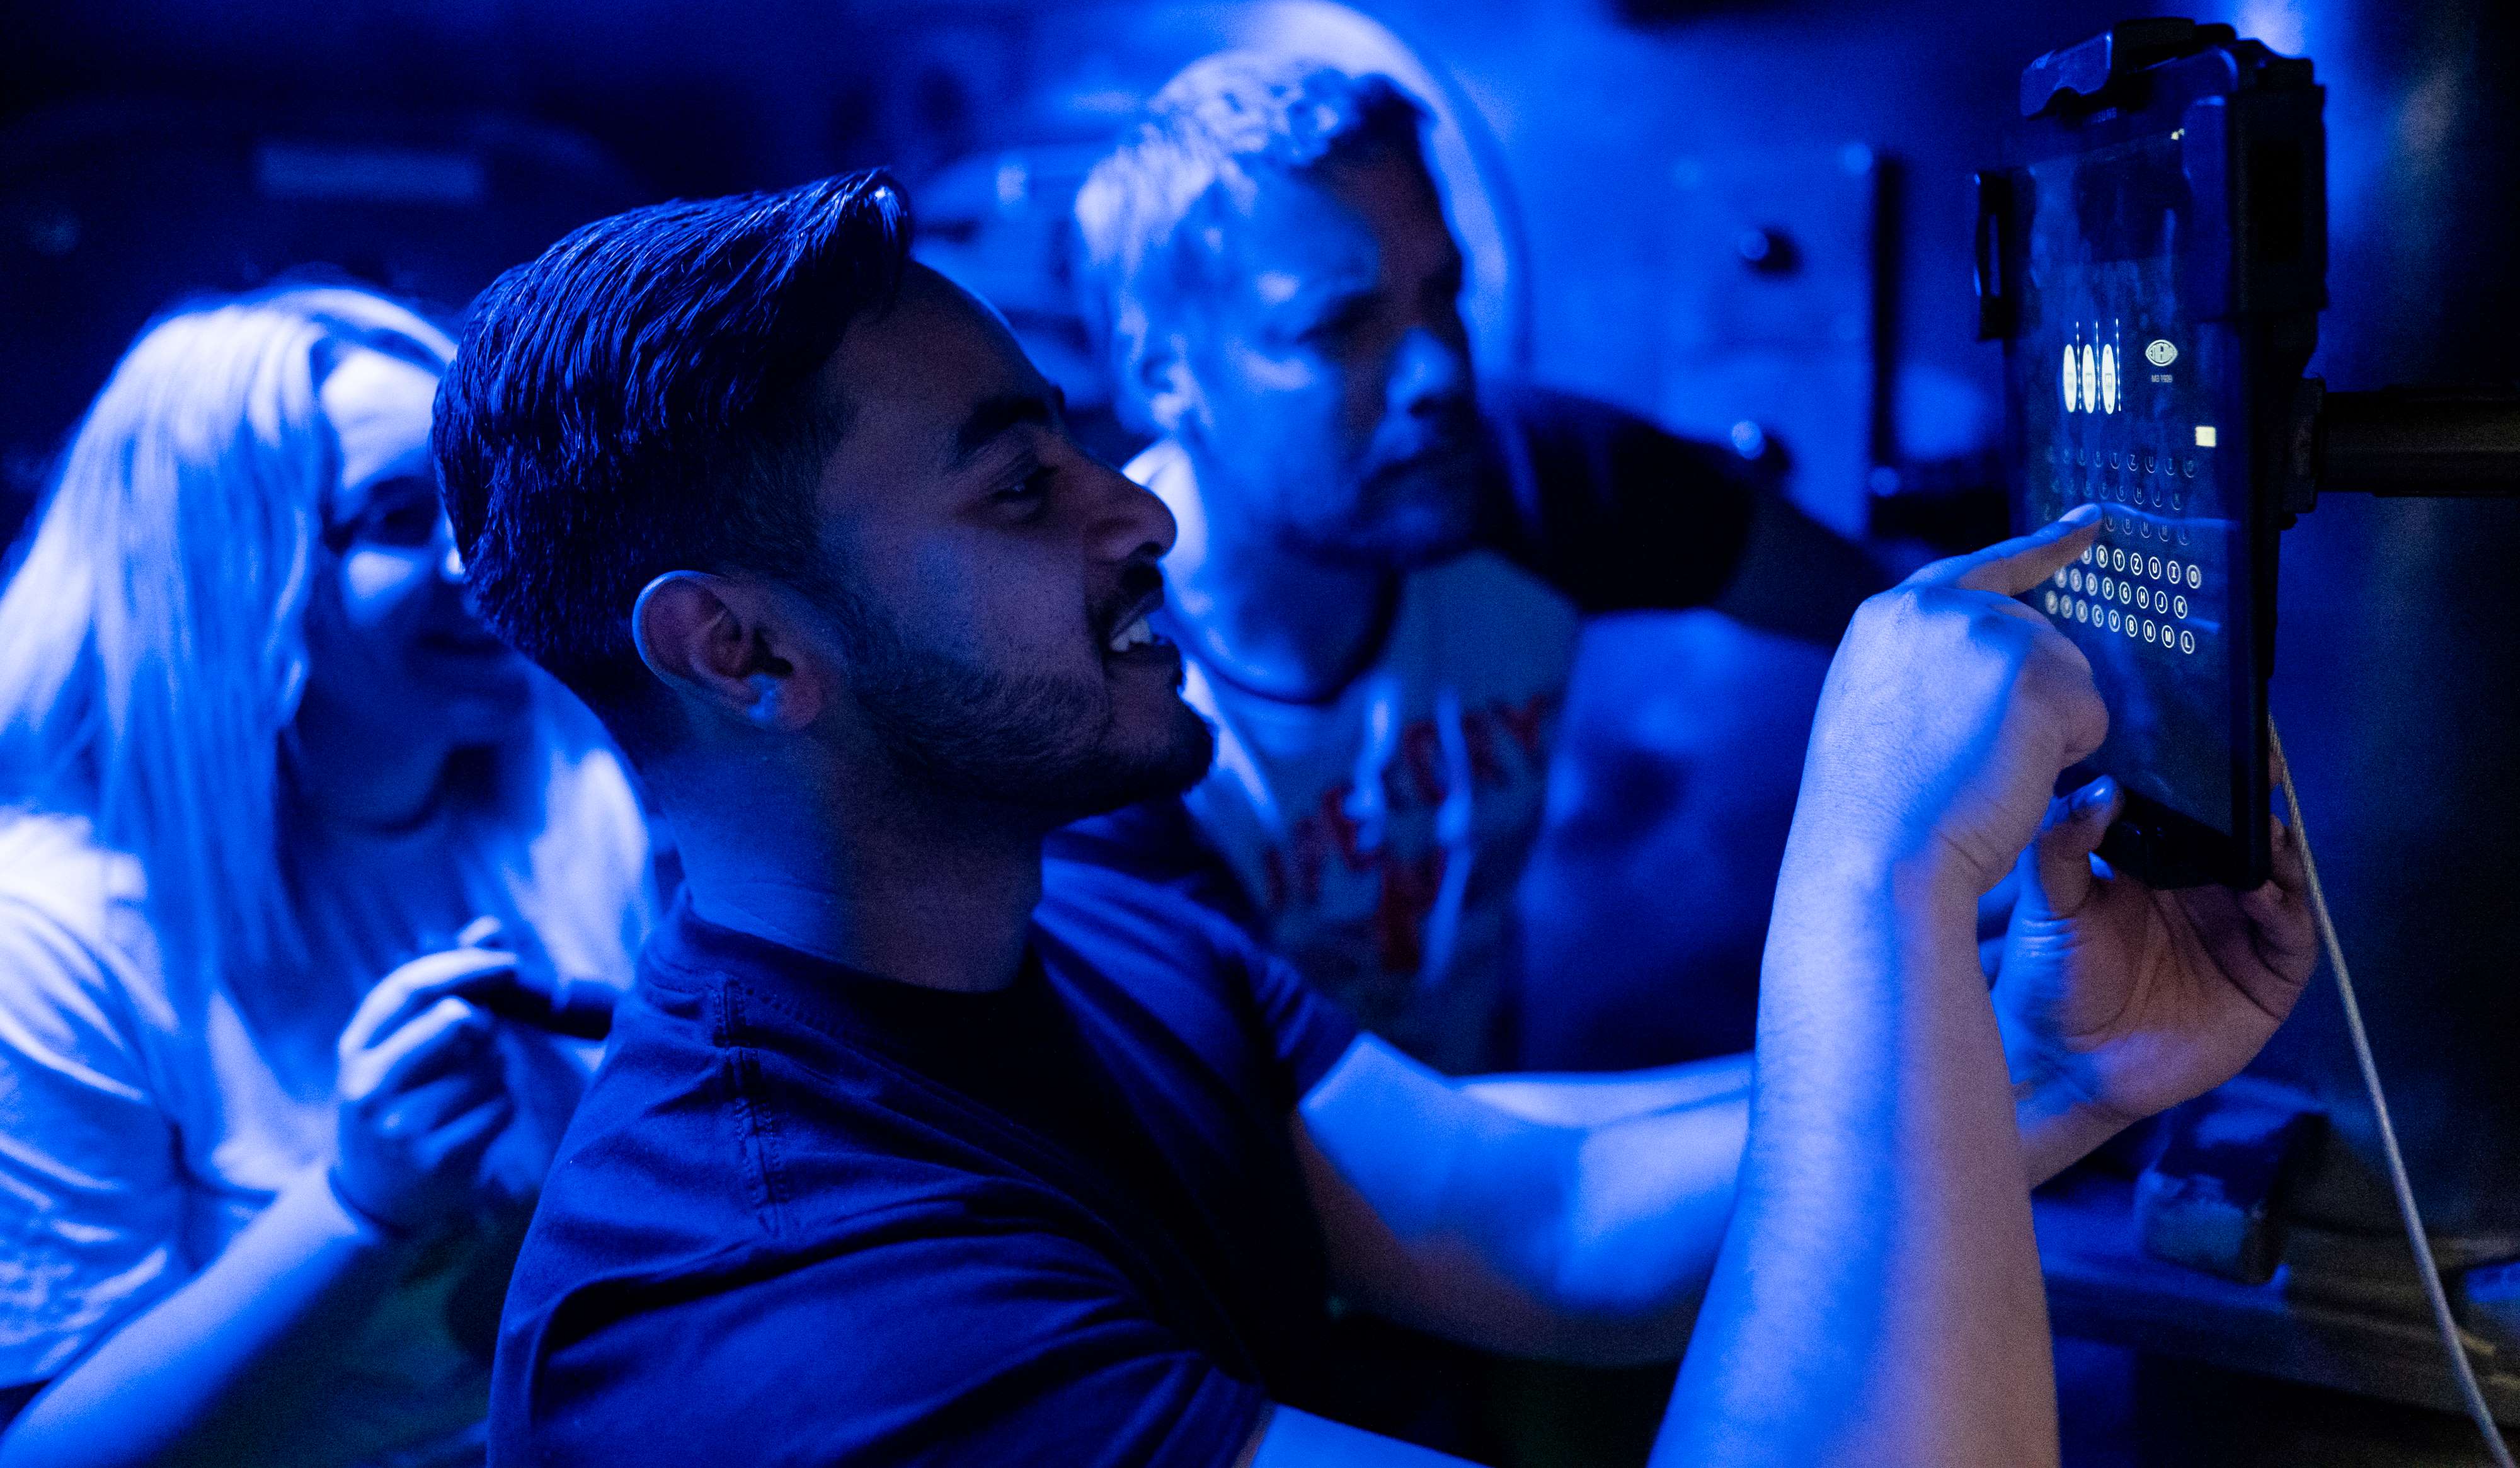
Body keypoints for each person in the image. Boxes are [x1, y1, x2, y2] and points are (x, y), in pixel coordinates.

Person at [437, 173, 2316, 1467]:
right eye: (1020, 488)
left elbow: (1546, 1220)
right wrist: (1880, 873)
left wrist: (2036, 1059)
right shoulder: (786, 1324)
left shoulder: (1073, 924)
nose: (1138, 513)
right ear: (745, 650)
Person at [1059, 52, 1888, 1075]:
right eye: (1337, 327)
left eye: (1443, 296)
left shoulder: (1525, 474)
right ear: (1163, 374)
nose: (1442, 372)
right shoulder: (1088, 692)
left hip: (1493, 1125)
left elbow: (1901, 626)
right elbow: (1380, 1187)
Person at [0, 287, 655, 1468]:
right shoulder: (48, 943)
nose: (487, 556)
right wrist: (355, 1211)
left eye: (490, 497)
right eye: (403, 515)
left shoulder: (575, 812)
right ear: (225, 581)